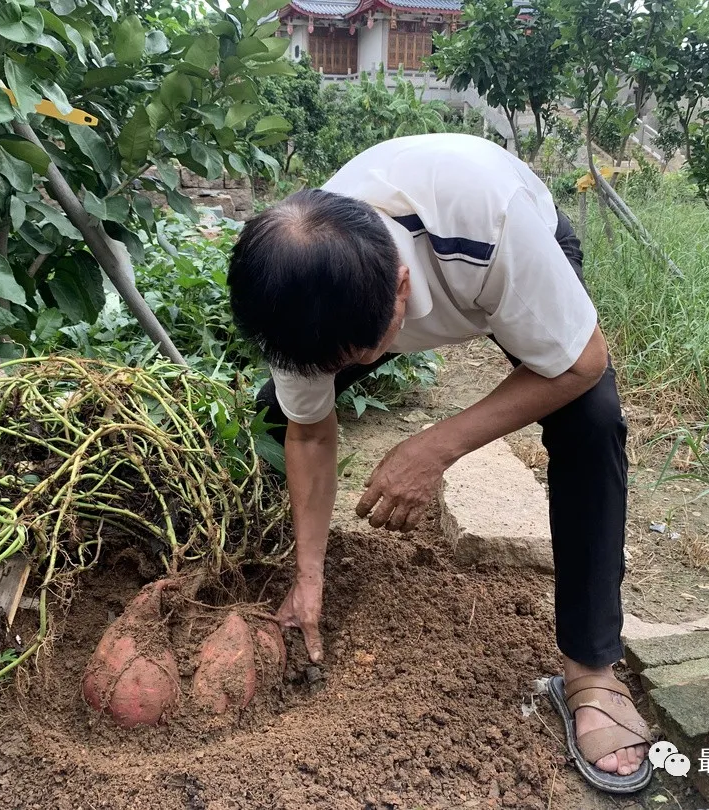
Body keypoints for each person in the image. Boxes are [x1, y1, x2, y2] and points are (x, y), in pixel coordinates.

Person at [226, 133, 652, 794]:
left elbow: (579, 362)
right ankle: (269, 572)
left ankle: (592, 670)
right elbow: (310, 433)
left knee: (589, 420)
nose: (343, 376)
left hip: (499, 248)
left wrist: (436, 446)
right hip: (365, 299)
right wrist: (308, 573)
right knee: (278, 414)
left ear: (401, 291)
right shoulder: (298, 293)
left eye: (360, 358)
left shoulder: (497, 220)